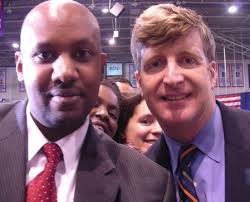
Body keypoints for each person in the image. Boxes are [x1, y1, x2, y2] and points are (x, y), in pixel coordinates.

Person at [0, 1, 175, 201]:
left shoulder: (150, 186)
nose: (65, 73)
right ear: (20, 67)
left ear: (101, 67)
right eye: (44, 55)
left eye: (81, 54)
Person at [131, 3, 250, 202]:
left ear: (212, 74)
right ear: (140, 83)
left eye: (187, 60)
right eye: (156, 64)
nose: (172, 78)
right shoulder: (135, 182)